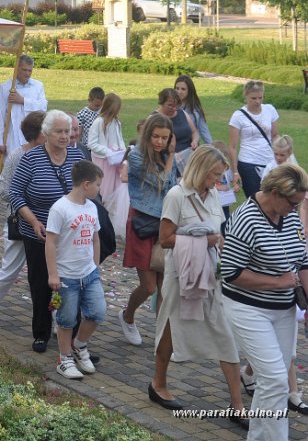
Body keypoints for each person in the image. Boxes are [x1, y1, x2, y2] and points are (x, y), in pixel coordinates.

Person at [148, 145, 247, 428]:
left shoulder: (214, 194)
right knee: (170, 327)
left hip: (211, 275)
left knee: (225, 333)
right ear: (201, 169)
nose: (218, 181)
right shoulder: (176, 196)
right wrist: (202, 242)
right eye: (215, 174)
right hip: (182, 275)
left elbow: (218, 234)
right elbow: (165, 238)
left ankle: (237, 405)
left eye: (220, 175)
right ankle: (158, 383)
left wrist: (224, 258)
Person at [221, 164, 308, 441]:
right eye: (293, 203)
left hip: (283, 310)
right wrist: (278, 282)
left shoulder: (290, 216)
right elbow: (231, 273)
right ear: (273, 193)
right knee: (274, 380)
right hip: (248, 308)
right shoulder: (245, 218)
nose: (296, 210)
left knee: (274, 383)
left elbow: (303, 260)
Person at [8, 110, 84, 353]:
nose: (65, 136)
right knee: (41, 283)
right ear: (46, 133)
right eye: (59, 131)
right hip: (38, 233)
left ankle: (72, 338)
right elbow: (15, 194)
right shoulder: (31, 159)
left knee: (72, 284)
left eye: (68, 131)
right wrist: (33, 222)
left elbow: (88, 189)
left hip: (70, 236)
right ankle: (41, 333)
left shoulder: (77, 156)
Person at [0, 110, 46, 334]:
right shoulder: (19, 156)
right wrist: (28, 206)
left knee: (50, 271)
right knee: (10, 269)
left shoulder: (51, 154)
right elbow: (6, 190)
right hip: (21, 222)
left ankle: (55, 314)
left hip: (47, 224)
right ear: (38, 134)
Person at [118, 113, 177, 347]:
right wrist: (172, 155)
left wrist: (169, 156)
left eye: (165, 138)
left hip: (164, 225)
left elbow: (174, 189)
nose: (160, 142)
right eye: (156, 136)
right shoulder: (136, 156)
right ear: (147, 134)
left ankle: (162, 338)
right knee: (149, 286)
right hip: (143, 223)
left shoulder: (165, 156)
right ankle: (127, 315)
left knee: (165, 287)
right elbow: (165, 183)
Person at [46, 160, 105, 380]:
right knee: (66, 319)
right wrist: (53, 274)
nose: (100, 189)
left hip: (88, 274)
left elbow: (95, 239)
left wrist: (95, 266)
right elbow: (50, 242)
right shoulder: (60, 208)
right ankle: (64, 358)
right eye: (98, 184)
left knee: (97, 312)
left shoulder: (92, 207)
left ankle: (79, 345)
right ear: (86, 184)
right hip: (67, 276)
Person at [0, 55, 48, 158]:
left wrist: (23, 101)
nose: (27, 73)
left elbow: (43, 107)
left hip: (34, 135)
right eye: (24, 70)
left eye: (30, 70)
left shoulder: (38, 86)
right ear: (17, 68)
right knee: (13, 163)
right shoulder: (6, 87)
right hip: (12, 134)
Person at [229, 80, 279, 199]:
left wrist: (282, 150)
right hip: (248, 163)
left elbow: (275, 135)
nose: (257, 101)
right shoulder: (238, 116)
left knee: (274, 198)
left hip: (269, 161)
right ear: (246, 96)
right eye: (253, 98)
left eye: (260, 98)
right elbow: (232, 147)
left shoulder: (270, 110)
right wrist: (235, 172)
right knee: (256, 200)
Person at [87, 92, 124, 200]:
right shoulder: (98, 122)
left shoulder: (117, 122)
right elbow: (92, 143)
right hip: (102, 160)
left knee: (114, 187)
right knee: (103, 188)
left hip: (114, 160)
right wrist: (107, 151)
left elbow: (120, 139)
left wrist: (122, 151)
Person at [155, 88, 198, 170]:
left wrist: (195, 141)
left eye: (176, 106)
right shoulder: (154, 119)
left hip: (189, 158)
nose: (174, 109)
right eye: (170, 105)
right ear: (161, 103)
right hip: (168, 163)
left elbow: (194, 131)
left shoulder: (182, 113)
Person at [174, 75, 211, 144]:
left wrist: (213, 148)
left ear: (189, 90)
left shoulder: (195, 109)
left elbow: (204, 130)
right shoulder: (170, 105)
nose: (179, 92)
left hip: (190, 147)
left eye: (183, 89)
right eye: (177, 88)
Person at [76, 87, 105, 161]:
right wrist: (77, 147)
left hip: (100, 146)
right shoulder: (82, 114)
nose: (98, 108)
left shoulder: (102, 114)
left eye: (100, 105)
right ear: (89, 100)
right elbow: (79, 133)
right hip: (87, 148)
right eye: (96, 105)